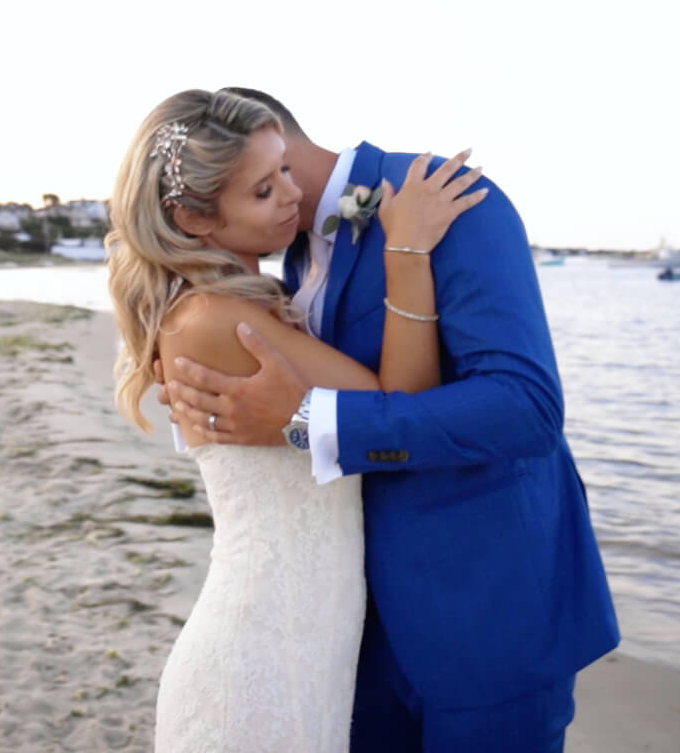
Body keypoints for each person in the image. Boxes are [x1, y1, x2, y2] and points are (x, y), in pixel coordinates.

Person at [159, 87, 620, 753]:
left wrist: (307, 420)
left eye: (275, 178)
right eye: (261, 189)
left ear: (275, 142)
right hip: (350, 638)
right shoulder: (275, 262)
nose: (280, 195)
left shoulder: (442, 200)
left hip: (486, 617)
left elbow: (527, 408)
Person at [107, 89, 489, 753]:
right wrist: (408, 250)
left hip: (305, 648)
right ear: (193, 217)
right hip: (257, 659)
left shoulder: (248, 302)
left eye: (284, 167)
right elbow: (398, 404)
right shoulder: (223, 317)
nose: (292, 194)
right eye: (262, 190)